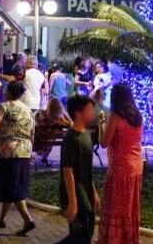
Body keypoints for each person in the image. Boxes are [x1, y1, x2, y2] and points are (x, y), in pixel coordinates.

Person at [0, 80, 37, 235]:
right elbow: (32, 133)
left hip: (7, 152)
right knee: (13, 185)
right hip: (24, 151)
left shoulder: (4, 107)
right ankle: (1, 219)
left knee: (13, 188)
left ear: (9, 91)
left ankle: (28, 220)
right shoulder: (28, 110)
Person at [98, 83, 143, 244]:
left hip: (121, 166)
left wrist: (101, 124)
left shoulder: (116, 115)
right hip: (136, 165)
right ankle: (128, 238)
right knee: (130, 205)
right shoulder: (137, 115)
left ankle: (115, 239)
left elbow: (104, 142)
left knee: (117, 204)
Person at [59, 95, 99, 244]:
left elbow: (87, 168)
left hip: (86, 189)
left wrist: (93, 191)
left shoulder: (86, 135)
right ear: (78, 113)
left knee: (87, 232)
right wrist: (72, 201)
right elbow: (67, 170)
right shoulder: (71, 137)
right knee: (81, 234)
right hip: (76, 191)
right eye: (89, 110)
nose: (92, 113)